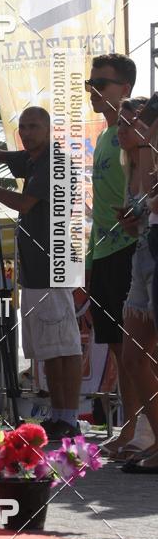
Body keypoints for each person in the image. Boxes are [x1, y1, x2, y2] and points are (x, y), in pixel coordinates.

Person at [0, 107, 83, 439]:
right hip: (35, 267)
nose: (26, 133)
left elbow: (25, 204)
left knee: (64, 345)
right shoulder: (30, 159)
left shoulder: (54, 161)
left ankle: (69, 418)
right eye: (22, 127)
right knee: (49, 348)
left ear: (49, 129)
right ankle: (60, 416)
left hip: (54, 264)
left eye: (33, 127)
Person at [85, 54, 137, 457]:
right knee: (119, 349)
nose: (95, 91)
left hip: (131, 248)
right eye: (91, 84)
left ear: (127, 89)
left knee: (137, 346)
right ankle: (134, 426)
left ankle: (143, 428)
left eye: (104, 83)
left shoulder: (135, 132)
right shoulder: (104, 136)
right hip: (102, 252)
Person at [115, 99, 158, 472]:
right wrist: (131, 221)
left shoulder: (151, 154)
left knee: (142, 354)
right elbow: (141, 222)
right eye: (118, 122)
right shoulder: (129, 165)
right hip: (142, 259)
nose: (121, 128)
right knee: (132, 357)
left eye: (129, 121)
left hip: (155, 259)